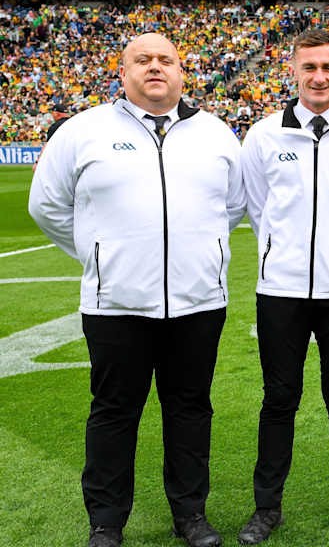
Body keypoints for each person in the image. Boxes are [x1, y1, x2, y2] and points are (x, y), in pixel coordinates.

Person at [28, 33, 246, 547]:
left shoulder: (216, 133)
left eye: (165, 60)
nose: (155, 67)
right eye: (142, 60)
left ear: (182, 71)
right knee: (113, 412)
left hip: (198, 302)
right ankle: (106, 522)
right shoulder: (84, 131)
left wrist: (202, 254)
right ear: (121, 71)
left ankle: (190, 515)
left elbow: (233, 206)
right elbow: (47, 206)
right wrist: (100, 256)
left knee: (190, 411)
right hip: (116, 305)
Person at [235, 29, 329, 544]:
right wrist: (283, 255)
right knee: (279, 398)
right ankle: (266, 509)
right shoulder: (263, 135)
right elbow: (258, 209)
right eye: (309, 67)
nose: (319, 77)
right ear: (293, 72)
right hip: (280, 290)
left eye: (328, 67)